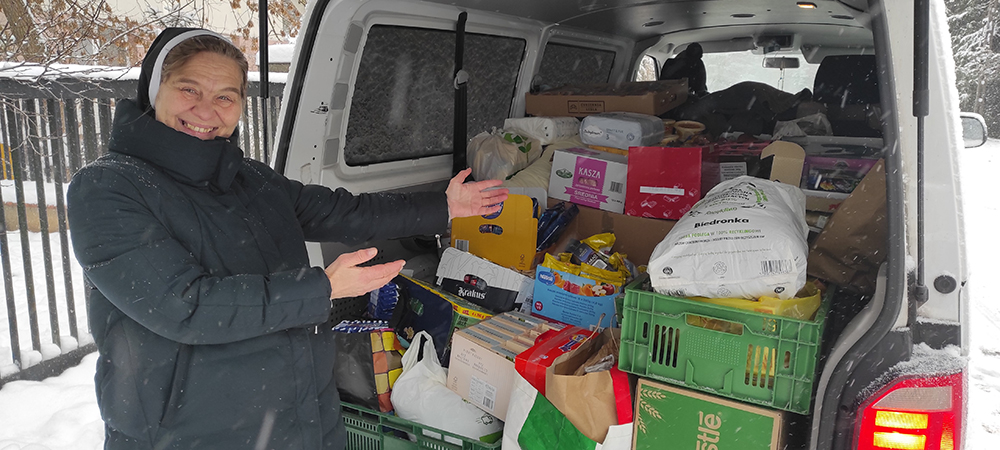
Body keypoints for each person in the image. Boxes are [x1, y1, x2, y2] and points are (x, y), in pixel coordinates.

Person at [66, 28, 508, 450]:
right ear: (152, 92)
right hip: (192, 431)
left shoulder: (248, 179)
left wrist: (443, 207)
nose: (207, 110)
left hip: (301, 415)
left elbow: (342, 211)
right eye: (189, 89)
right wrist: (324, 288)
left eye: (225, 96)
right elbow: (186, 305)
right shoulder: (108, 188)